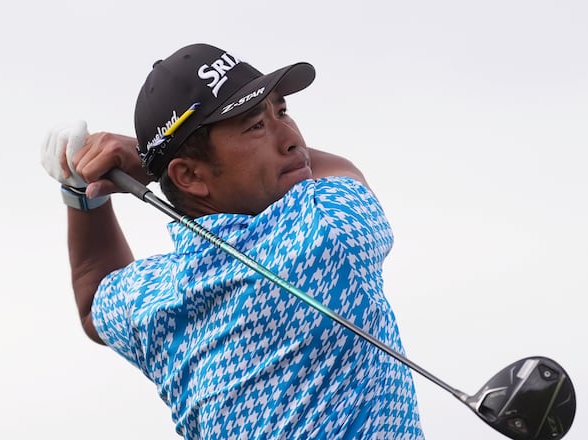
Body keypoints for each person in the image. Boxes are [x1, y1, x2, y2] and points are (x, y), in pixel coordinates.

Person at [41, 43, 425, 439]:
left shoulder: (153, 299)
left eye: (282, 111)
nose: (291, 138)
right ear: (190, 177)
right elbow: (340, 171)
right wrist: (144, 162)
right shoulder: (328, 230)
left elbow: (93, 301)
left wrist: (81, 195)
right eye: (256, 125)